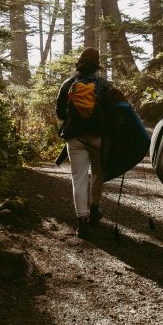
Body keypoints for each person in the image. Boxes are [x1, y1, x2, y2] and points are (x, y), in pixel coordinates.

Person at [56, 47, 116, 237]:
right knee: (98, 173)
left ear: (79, 63)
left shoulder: (69, 83)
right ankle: (94, 209)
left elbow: (59, 112)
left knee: (79, 179)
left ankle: (81, 220)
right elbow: (113, 113)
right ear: (96, 66)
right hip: (97, 138)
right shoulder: (104, 85)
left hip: (74, 138)